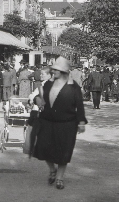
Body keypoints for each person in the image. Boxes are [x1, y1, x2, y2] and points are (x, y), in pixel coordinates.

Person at [31, 56, 87, 190]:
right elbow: (38, 97)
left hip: (66, 124)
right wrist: (36, 100)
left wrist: (81, 122)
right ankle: (52, 170)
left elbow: (79, 105)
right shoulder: (48, 84)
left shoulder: (74, 87)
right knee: (43, 148)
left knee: (64, 152)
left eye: (55, 69)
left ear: (63, 71)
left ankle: (60, 178)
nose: (52, 71)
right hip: (47, 121)